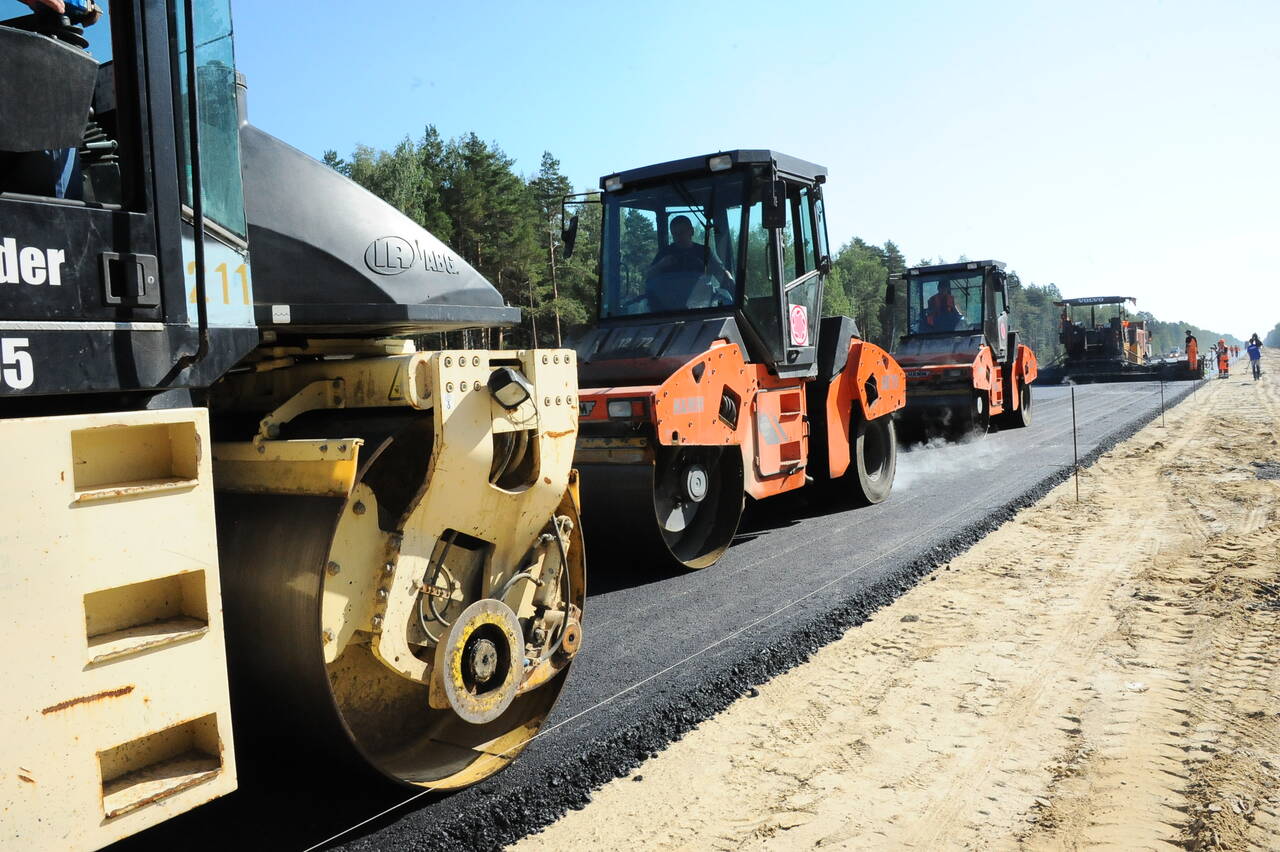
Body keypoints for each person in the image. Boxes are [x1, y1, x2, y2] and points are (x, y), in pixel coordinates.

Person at [643, 215, 732, 311]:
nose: (678, 237)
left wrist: (732, 285)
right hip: (669, 307)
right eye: (674, 234)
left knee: (727, 301)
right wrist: (661, 264)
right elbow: (648, 276)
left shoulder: (704, 251)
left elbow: (722, 273)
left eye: (682, 232)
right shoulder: (665, 253)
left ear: (692, 231)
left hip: (702, 306)